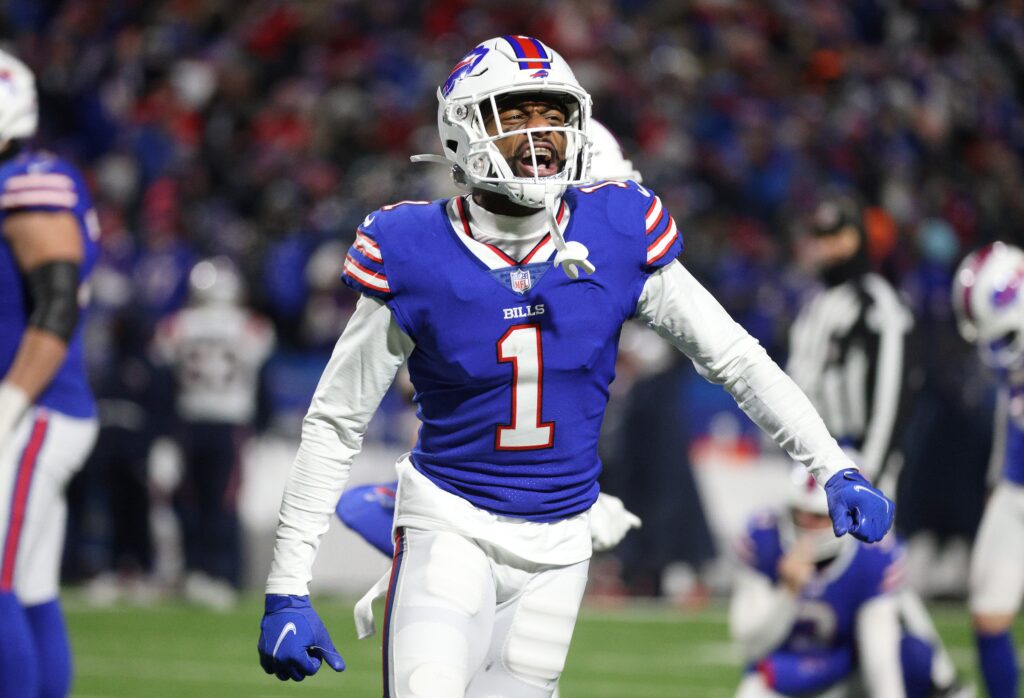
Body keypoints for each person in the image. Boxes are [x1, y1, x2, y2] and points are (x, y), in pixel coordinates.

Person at [256, 36, 894, 696]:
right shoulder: (412, 247)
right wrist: (286, 589)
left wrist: (831, 463)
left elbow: (733, 356)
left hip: (561, 545)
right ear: (463, 131)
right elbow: (336, 422)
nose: (541, 134)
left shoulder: (617, 226)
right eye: (517, 114)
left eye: (552, 114)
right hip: (451, 523)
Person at [0, 49, 101, 697]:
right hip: (37, 411)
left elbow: (58, 306)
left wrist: (8, 401)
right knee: (31, 588)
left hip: (32, 411)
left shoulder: (29, 180)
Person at [730, 466, 970, 698]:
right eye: (798, 513)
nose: (805, 525)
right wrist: (787, 592)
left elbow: (879, 658)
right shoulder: (765, 539)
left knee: (913, 657)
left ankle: (946, 680)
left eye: (817, 517)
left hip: (846, 673)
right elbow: (751, 647)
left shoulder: (870, 556)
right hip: (784, 672)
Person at [151, 256, 275, 608]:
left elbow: (163, 381)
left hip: (190, 419)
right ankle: (221, 574)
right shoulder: (251, 327)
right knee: (222, 501)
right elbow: (263, 383)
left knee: (193, 500)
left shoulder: (177, 326)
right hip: (231, 422)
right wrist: (262, 426)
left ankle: (200, 571)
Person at [786, 195, 915, 496]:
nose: (830, 247)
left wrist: (870, 470)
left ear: (859, 236)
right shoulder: (814, 303)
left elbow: (891, 394)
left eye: (839, 236)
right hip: (809, 459)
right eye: (823, 237)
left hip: (856, 457)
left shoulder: (878, 302)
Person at [951, 241, 1024, 698]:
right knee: (988, 610)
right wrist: (998, 479)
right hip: (1017, 487)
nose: (998, 352)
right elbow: (1007, 411)